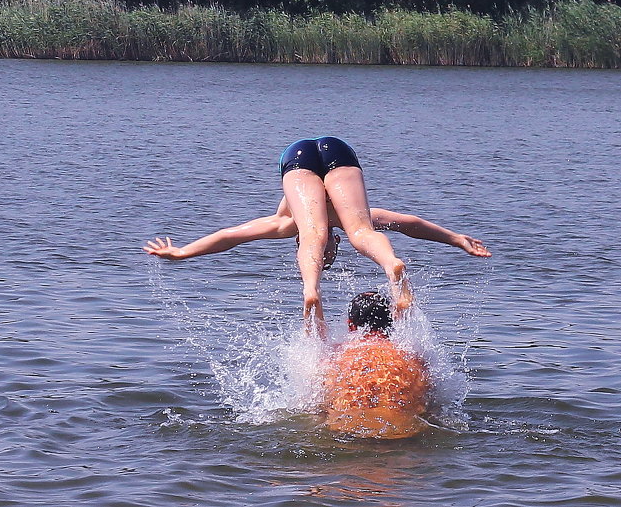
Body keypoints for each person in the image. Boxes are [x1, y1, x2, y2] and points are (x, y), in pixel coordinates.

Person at [144, 136, 491, 332]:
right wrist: (456, 238)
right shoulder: (331, 221)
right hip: (334, 150)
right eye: (327, 254)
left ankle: (312, 290)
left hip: (299, 159)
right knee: (362, 229)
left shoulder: (289, 224)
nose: (324, 248)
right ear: (335, 245)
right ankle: (391, 266)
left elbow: (233, 235)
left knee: (316, 231)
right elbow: (410, 224)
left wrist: (184, 252)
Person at [323, 290, 430, 439]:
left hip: (346, 432)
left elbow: (319, 402)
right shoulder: (413, 357)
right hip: (402, 434)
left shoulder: (336, 356)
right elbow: (429, 403)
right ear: (391, 322)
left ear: (351, 325)